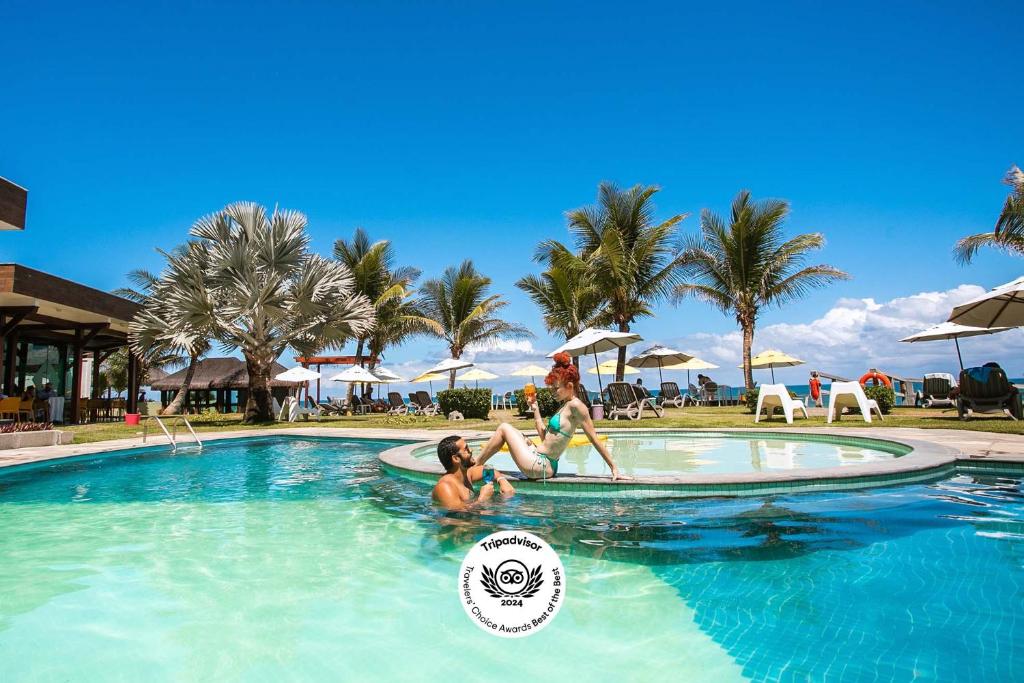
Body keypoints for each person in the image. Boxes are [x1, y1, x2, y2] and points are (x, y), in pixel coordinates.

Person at [476, 352, 628, 481]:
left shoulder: (577, 406)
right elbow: (545, 439)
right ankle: (475, 465)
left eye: (556, 388)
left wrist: (614, 468)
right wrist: (535, 408)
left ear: (569, 386)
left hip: (540, 465)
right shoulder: (565, 406)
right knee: (518, 435)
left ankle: (473, 466)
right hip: (543, 462)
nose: (553, 392)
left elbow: (594, 438)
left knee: (504, 428)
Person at [432, 435, 515, 510]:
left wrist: (502, 480)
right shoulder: (445, 487)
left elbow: (487, 469)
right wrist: (482, 499)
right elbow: (456, 517)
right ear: (456, 458)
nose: (471, 450)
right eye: (466, 449)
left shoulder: (467, 474)